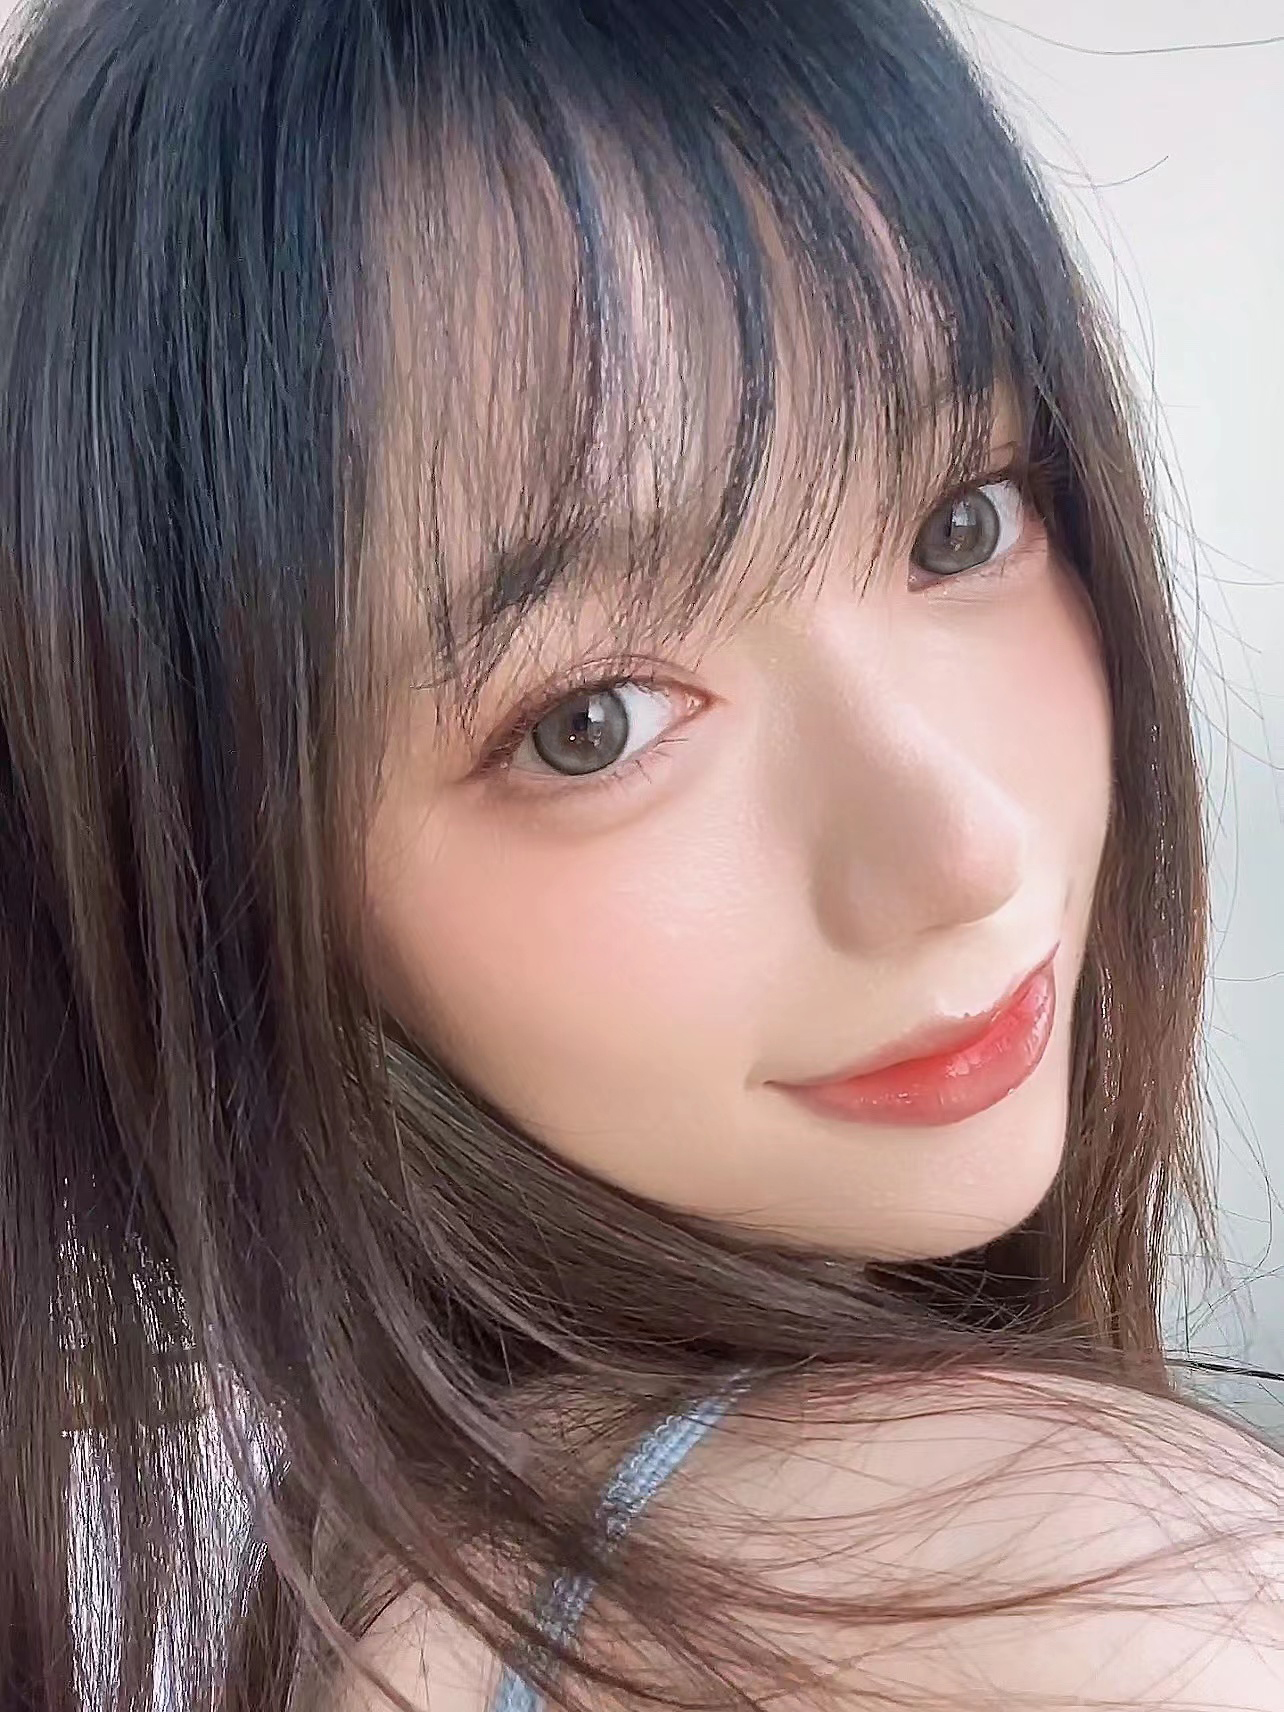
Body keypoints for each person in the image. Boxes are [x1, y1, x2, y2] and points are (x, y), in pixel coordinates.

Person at [1, 0, 1281, 1707]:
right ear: (233, 895)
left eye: (962, 521)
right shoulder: (1081, 1598)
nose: (964, 851)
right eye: (589, 722)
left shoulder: (383, 1574)